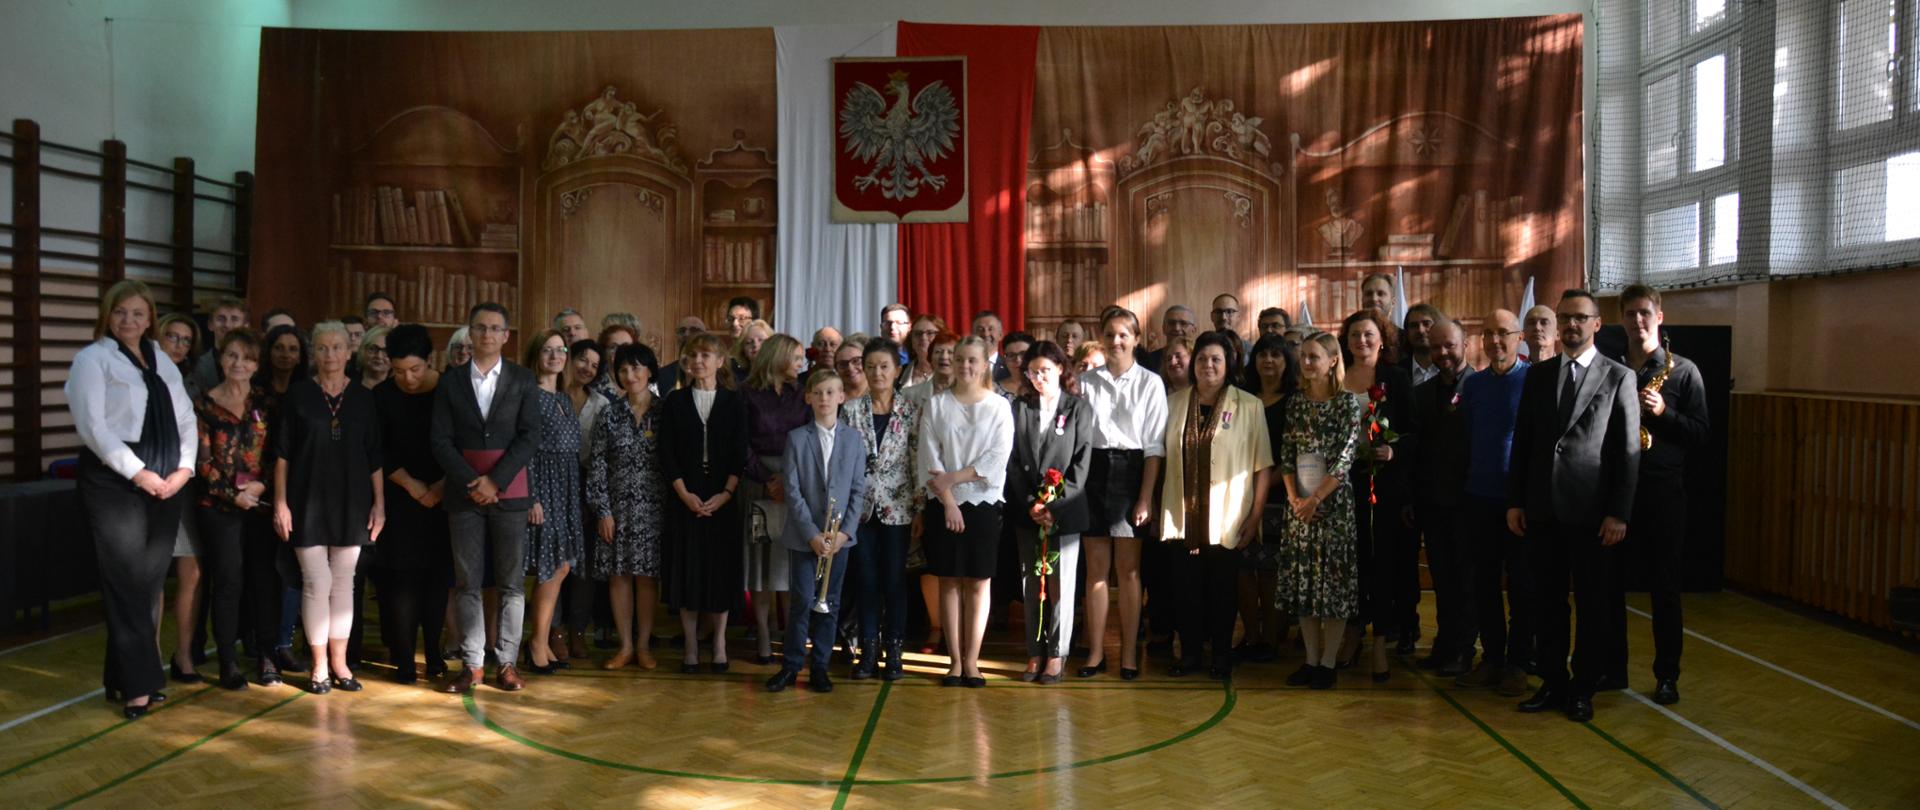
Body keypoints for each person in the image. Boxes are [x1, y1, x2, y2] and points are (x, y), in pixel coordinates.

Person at [1508, 289, 1640, 723]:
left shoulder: (1619, 376)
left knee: (1593, 604)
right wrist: (1516, 501)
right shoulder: (1539, 375)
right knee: (1546, 603)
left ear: (1597, 324)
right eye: (1565, 318)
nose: (1571, 325)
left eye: (1580, 318)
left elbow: (1626, 453)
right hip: (1543, 512)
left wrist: (1619, 512)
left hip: (1593, 516)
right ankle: (1552, 682)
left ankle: (1583, 687)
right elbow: (1524, 445)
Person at [70, 280, 198, 718]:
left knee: (145, 583)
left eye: (138, 313)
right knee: (125, 583)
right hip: (115, 481)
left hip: (167, 481)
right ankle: (141, 684)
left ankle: (120, 677)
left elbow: (185, 416)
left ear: (151, 318)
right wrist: (139, 473)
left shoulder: (161, 358)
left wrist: (184, 469)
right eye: (121, 312)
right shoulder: (93, 359)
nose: (129, 320)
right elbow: (94, 427)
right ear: (107, 314)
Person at [431, 302, 543, 695]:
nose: (487, 335)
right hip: (464, 496)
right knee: (467, 582)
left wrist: (494, 481)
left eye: (495, 329)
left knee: (512, 584)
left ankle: (507, 663)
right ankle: (472, 665)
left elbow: (530, 436)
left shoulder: (523, 379)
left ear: (506, 336)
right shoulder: (450, 381)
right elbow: (440, 441)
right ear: (470, 333)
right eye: (480, 328)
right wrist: (472, 483)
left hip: (510, 493)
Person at [1605, 285, 1709, 705]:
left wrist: (1665, 415)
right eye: (1630, 314)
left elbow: (1701, 434)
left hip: (1663, 492)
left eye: (1645, 313)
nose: (1637, 321)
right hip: (1615, 492)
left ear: (1659, 317)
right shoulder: (1611, 369)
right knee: (1610, 585)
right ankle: (1613, 669)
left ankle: (1667, 675)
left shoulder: (1683, 371)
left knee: (1665, 589)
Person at [272, 321, 385, 694]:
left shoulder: (365, 398)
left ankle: (340, 663)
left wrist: (379, 505)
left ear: (348, 352)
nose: (331, 355)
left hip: (353, 503)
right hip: (306, 502)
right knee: (315, 583)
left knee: (343, 585)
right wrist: (280, 503)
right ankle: (318, 665)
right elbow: (283, 455)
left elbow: (374, 457)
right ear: (313, 353)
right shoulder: (299, 395)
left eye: (337, 348)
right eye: (322, 348)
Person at [1159, 331, 1272, 680]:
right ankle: (1191, 653)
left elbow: (1262, 465)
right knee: (1186, 590)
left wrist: (1255, 517)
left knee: (1224, 591)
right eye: (1202, 359)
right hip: (1181, 516)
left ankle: (1221, 655)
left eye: (1216, 359)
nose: (1208, 365)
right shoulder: (1174, 403)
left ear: (1228, 365)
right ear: (1193, 365)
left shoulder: (1249, 405)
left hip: (1229, 516)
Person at [1074, 307, 1168, 680]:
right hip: (1092, 473)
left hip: (1132, 475)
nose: (1116, 341)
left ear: (1136, 339)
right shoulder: (1087, 382)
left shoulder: (1150, 383)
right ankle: (1096, 653)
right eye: (1110, 334)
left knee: (1128, 571)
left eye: (1123, 335)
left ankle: (1129, 653)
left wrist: (1145, 497)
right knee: (1096, 571)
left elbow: (1154, 449)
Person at [919, 336, 1015, 688]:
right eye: (959, 359)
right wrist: (947, 499)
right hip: (943, 503)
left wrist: (953, 479)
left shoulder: (999, 407)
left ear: (984, 363)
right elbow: (929, 459)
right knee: (948, 580)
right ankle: (955, 662)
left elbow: (997, 458)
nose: (965, 366)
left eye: (972, 360)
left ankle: (973, 661)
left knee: (977, 582)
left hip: (984, 503)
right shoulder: (937, 404)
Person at [765, 369, 868, 693]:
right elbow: (792, 491)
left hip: (838, 540)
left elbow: (858, 490)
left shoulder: (853, 439)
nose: (824, 398)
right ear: (808, 397)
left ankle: (820, 667)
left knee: (830, 602)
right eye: (818, 393)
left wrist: (843, 534)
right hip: (804, 537)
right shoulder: (796, 438)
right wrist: (812, 534)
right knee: (801, 601)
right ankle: (792, 665)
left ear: (841, 397)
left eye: (831, 392)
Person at [1275, 331, 1364, 690]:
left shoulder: (1347, 404)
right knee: (1306, 585)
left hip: (1334, 507)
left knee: (1333, 586)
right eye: (1304, 357)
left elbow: (1344, 459)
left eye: (1314, 357)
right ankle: (1310, 660)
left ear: (1332, 361)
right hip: (1300, 508)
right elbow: (1285, 457)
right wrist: (1297, 499)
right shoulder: (1296, 403)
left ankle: (1328, 663)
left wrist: (1315, 500)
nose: (1307, 363)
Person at [1453, 310, 1534, 698]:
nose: (1496, 341)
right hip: (1478, 499)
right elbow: (1469, 437)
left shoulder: (1534, 380)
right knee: (1483, 585)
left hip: (1518, 503)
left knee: (1521, 585)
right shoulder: (1474, 386)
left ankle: (1518, 663)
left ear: (1520, 338)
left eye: (1504, 333)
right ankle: (1493, 659)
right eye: (1488, 334)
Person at [660, 333, 749, 673]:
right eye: (692, 355)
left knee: (720, 570)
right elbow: (666, 452)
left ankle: (720, 643)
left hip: (722, 495)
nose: (698, 361)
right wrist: (684, 494)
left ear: (720, 361)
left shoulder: (733, 401)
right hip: (686, 495)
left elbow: (740, 451)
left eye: (706, 355)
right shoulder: (675, 401)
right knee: (688, 569)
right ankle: (691, 645)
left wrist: (725, 494)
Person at [1005, 341, 1093, 684]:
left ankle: (1057, 654)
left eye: (1046, 369)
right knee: (1032, 582)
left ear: (1060, 368)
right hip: (1027, 509)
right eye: (1033, 371)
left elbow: (1082, 464)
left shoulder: (1078, 408)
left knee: (1061, 584)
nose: (1039, 377)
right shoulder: (1019, 407)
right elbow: (1011, 460)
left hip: (1065, 510)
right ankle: (1034, 651)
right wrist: (1031, 502)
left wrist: (1053, 505)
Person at [370, 325, 452, 685]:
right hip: (400, 498)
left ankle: (434, 655)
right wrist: (412, 485)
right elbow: (378, 450)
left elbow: (463, 443)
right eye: (399, 370)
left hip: (445, 495)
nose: (408, 378)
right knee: (402, 580)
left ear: (430, 361)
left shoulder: (449, 390)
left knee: (436, 581)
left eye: (415, 369)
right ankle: (404, 660)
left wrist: (441, 487)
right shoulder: (382, 396)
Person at [1340, 308, 1419, 680]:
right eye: (1355, 334)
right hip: (1341, 484)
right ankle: (1352, 631)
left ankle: (1380, 641)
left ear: (1382, 339)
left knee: (1384, 563)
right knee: (1351, 563)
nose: (1362, 341)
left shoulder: (1397, 378)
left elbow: (1416, 433)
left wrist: (1395, 450)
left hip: (1384, 485)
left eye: (1369, 334)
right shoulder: (1336, 376)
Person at [193, 328, 268, 691]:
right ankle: (227, 660)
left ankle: (261, 650)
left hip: (261, 502)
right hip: (218, 507)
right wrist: (231, 494)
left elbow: (277, 452)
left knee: (261, 577)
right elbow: (202, 462)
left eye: (248, 357)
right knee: (228, 581)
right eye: (232, 356)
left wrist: (262, 484)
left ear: (257, 363)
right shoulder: (204, 405)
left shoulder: (264, 402)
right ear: (221, 359)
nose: (240, 364)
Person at [588, 343, 670, 671]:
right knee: (619, 576)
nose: (630, 375)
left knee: (647, 578)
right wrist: (603, 511)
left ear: (650, 370)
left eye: (636, 368)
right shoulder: (609, 414)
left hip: (655, 510)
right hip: (616, 509)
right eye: (623, 369)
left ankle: (644, 646)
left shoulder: (665, 412)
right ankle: (623, 646)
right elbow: (597, 465)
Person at [843, 339, 921, 681]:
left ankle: (895, 651)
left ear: (897, 370)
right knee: (866, 580)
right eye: (870, 366)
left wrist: (920, 509)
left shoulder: (911, 410)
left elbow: (918, 460)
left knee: (894, 580)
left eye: (884, 366)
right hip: (859, 510)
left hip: (899, 508)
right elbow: (843, 463)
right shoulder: (850, 410)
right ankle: (868, 651)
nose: (877, 373)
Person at [1408, 318, 1474, 676]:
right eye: (1436, 347)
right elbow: (1418, 452)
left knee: (1467, 582)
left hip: (1468, 503)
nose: (1442, 353)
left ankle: (1465, 649)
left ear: (1465, 343)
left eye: (1449, 345)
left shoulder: (1479, 387)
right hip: (1432, 504)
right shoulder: (1422, 393)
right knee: (1443, 580)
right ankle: (1445, 645)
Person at [742, 333, 810, 664]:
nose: (801, 364)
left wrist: (789, 480)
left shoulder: (803, 395)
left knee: (789, 563)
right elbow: (740, 443)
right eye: (796, 358)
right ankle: (765, 636)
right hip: (758, 483)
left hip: (795, 483)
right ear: (779, 358)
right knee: (761, 566)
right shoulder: (748, 394)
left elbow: (810, 438)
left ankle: (790, 636)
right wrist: (766, 479)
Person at [519, 330, 584, 673]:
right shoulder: (529, 395)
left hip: (566, 485)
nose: (556, 355)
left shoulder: (564, 398)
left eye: (561, 350)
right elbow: (524, 447)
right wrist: (531, 495)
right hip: (543, 485)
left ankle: (542, 641)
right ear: (536, 355)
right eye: (548, 350)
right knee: (551, 568)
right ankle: (535, 643)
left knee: (562, 567)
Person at [1241, 334, 1300, 663]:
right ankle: (1249, 636)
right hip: (1241, 497)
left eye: (1276, 355)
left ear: (1286, 361)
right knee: (1243, 569)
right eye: (1263, 354)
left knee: (1271, 571)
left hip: (1280, 495)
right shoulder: (1242, 398)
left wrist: (1263, 485)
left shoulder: (1294, 401)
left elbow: (1291, 454)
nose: (1268, 360)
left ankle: (1270, 640)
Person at [155, 312, 207, 682]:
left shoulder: (193, 382)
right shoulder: (143, 375)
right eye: (172, 336)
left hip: (187, 484)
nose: (178, 344)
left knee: (191, 571)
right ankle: (150, 658)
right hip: (148, 483)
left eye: (185, 339)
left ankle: (184, 655)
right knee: (152, 576)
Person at [193, 296, 249, 390]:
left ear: (246, 326)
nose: (227, 325)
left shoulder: (255, 363)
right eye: (221, 319)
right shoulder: (196, 365)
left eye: (234, 319)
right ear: (210, 324)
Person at [654, 315, 708, 393]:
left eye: (694, 330)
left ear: (706, 337)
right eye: (682, 331)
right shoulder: (663, 375)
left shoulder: (714, 372)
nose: (686, 334)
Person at [1139, 305, 1198, 372]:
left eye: (1183, 323)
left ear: (1194, 330)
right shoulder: (1150, 360)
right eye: (1171, 323)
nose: (1177, 328)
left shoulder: (1201, 357)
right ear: (1163, 328)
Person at [1403, 304, 1445, 386]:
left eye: (1426, 324)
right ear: (1407, 332)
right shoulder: (1398, 371)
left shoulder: (1451, 369)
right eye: (1414, 326)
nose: (1421, 330)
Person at [902, 314, 947, 390]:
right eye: (918, 334)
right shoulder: (900, 372)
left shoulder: (951, 372)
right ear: (911, 340)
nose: (923, 337)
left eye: (930, 333)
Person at [1210, 293, 1251, 360]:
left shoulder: (1250, 351)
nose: (1223, 317)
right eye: (1218, 312)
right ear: (1211, 316)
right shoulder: (1203, 348)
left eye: (1229, 312)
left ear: (1238, 316)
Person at [995, 332, 1034, 400]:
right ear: (1004, 359)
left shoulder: (1042, 388)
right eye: (1011, 355)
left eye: (1023, 354)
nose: (1018, 360)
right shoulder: (994, 390)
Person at [971, 310, 1007, 381]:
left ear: (1000, 335)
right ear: (972, 335)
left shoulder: (1009, 367)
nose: (986, 334)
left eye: (990, 329)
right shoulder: (964, 365)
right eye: (980, 329)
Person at [733, 319, 772, 385]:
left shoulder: (781, 376)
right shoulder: (736, 379)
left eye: (761, 340)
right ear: (743, 351)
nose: (755, 345)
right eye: (749, 342)